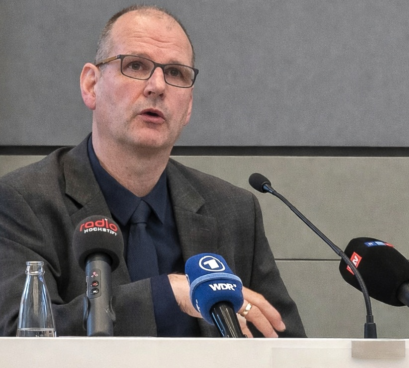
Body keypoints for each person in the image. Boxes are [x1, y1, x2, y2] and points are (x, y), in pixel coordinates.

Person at [0, 5, 305, 338]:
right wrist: (164, 295)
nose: (157, 86)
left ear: (188, 106)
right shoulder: (23, 202)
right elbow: (19, 337)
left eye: (175, 73)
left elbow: (286, 347)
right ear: (91, 85)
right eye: (135, 65)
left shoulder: (234, 212)